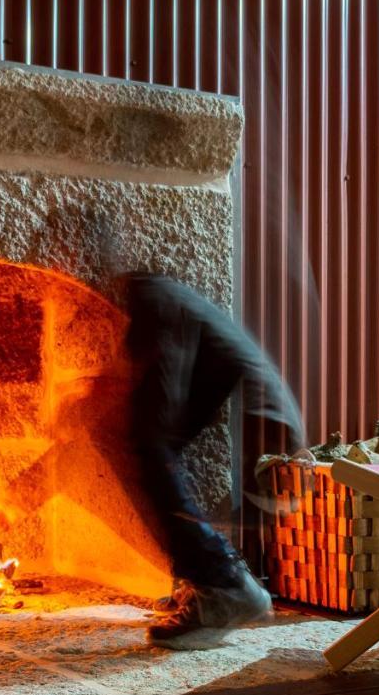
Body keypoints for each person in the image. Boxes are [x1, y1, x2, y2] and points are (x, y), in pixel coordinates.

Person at [121, 272, 306, 649]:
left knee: (150, 453)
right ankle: (208, 580)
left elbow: (166, 385)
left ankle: (226, 586)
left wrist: (149, 443)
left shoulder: (151, 297)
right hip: (256, 411)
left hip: (266, 430)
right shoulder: (165, 295)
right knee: (153, 454)